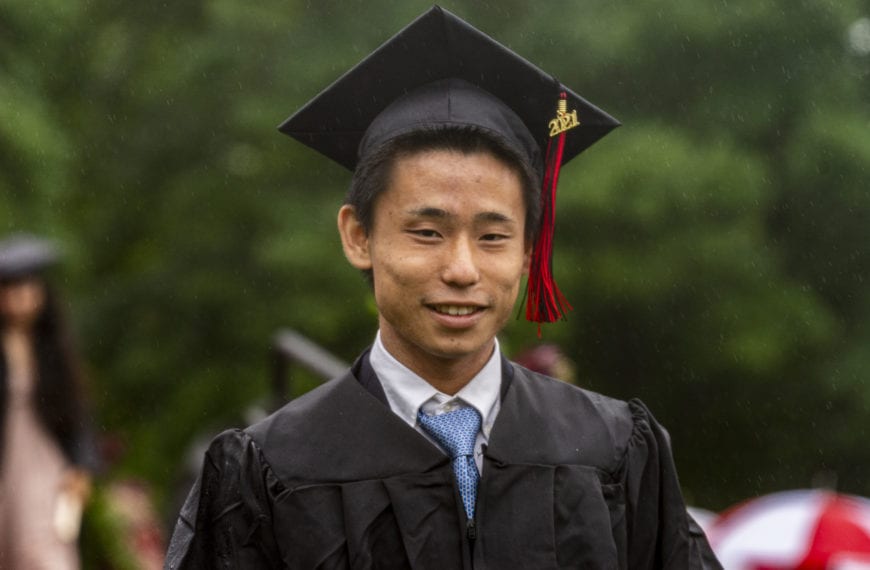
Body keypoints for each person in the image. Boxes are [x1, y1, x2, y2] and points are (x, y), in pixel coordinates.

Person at [165, 7, 721, 569]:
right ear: (358, 236)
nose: (462, 269)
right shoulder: (272, 470)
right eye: (428, 233)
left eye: (493, 236)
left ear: (529, 250)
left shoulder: (614, 451)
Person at [0, 234, 96, 569]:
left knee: (43, 550)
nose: (21, 298)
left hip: (43, 464)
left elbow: (77, 410)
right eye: (12, 289)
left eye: (28, 287)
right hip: (5, 461)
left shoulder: (53, 346)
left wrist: (82, 464)